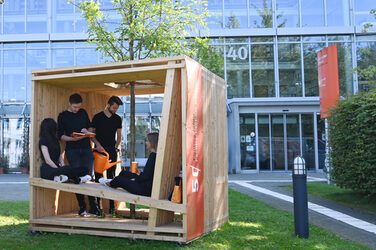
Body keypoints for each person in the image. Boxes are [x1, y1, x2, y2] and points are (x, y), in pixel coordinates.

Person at [57, 93, 102, 217]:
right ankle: (82, 207)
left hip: (87, 148)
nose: (77, 109)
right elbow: (60, 135)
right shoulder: (63, 116)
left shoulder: (83, 112)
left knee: (90, 176)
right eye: (74, 107)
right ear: (69, 104)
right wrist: (73, 139)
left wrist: (86, 132)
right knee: (77, 178)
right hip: (72, 150)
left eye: (78, 107)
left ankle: (94, 207)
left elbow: (90, 130)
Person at [89, 96, 123, 213]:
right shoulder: (97, 117)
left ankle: (112, 207)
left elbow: (119, 136)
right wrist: (97, 145)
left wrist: (117, 147)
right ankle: (98, 207)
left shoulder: (117, 119)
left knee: (111, 177)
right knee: (98, 177)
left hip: (112, 151)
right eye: (114, 108)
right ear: (108, 105)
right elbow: (91, 134)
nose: (115, 110)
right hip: (99, 151)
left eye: (117, 108)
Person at [99, 133, 158, 197]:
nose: (146, 142)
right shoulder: (156, 155)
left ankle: (109, 183)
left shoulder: (153, 155)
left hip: (144, 189)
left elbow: (146, 177)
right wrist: (140, 174)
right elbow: (150, 174)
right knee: (123, 173)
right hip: (146, 183)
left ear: (151, 142)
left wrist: (135, 180)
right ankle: (112, 181)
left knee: (119, 179)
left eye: (147, 141)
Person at [39, 118, 92, 184]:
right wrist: (59, 169)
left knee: (85, 169)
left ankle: (66, 177)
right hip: (48, 169)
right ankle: (76, 178)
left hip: (58, 168)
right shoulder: (43, 140)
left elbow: (59, 156)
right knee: (66, 169)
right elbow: (48, 160)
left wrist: (63, 166)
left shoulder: (55, 140)